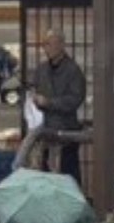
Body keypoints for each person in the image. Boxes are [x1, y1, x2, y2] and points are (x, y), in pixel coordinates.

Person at [29, 30, 88, 179]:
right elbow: (34, 90)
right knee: (45, 174)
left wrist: (49, 102)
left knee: (68, 173)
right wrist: (36, 100)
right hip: (45, 129)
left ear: (61, 45)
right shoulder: (41, 69)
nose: (46, 48)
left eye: (49, 43)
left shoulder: (73, 70)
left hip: (66, 129)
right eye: (44, 44)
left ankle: (71, 201)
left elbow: (76, 99)